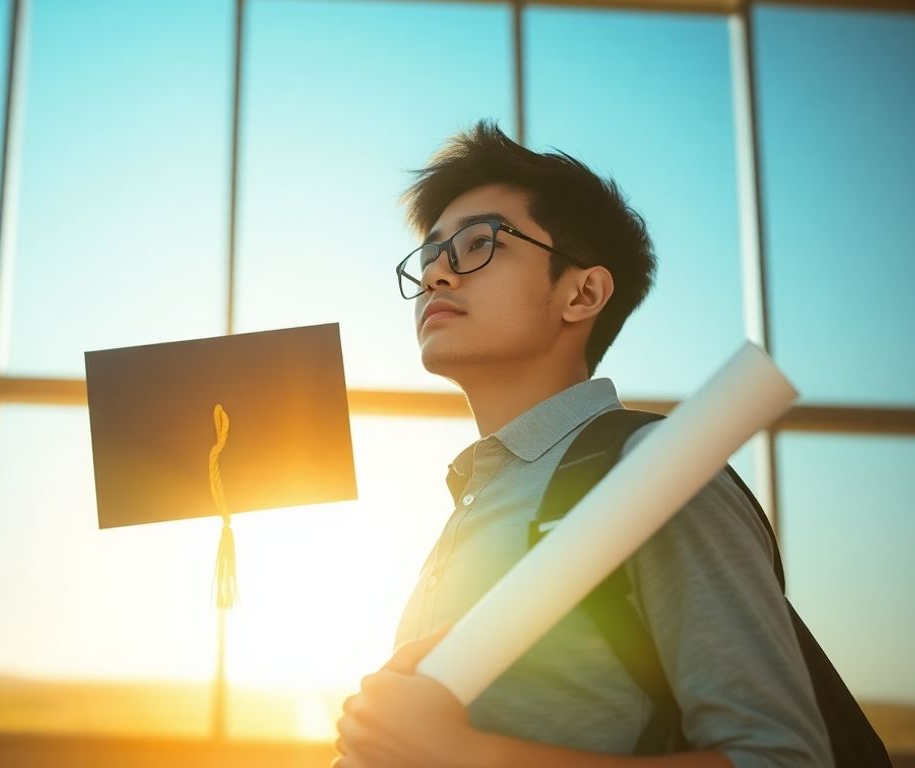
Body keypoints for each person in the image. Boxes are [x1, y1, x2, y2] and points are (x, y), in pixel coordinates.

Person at [331, 121, 833, 768]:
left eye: (478, 244)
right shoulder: (478, 501)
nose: (437, 276)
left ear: (583, 293)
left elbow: (784, 760)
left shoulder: (655, 472)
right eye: (429, 256)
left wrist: (469, 756)